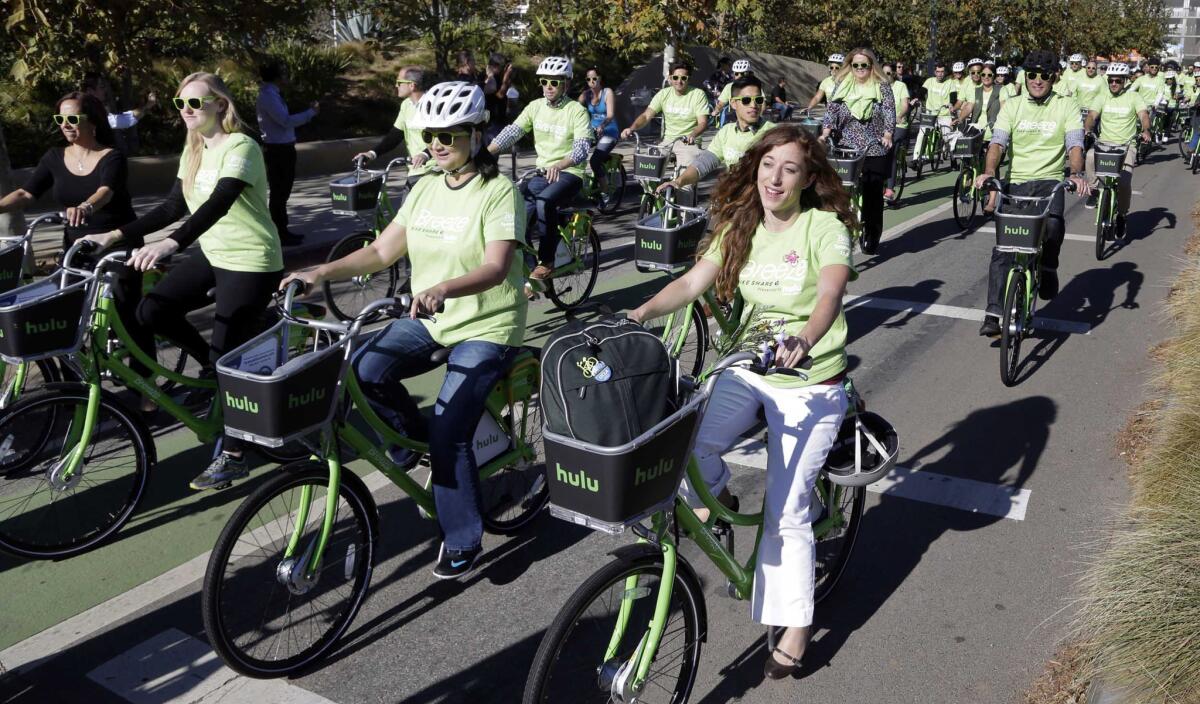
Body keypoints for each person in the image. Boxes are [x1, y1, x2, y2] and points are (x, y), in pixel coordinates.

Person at [627, 124, 857, 681]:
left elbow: (829, 293)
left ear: (809, 179)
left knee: (787, 512)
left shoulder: (823, 227)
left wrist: (804, 338)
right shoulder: (741, 223)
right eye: (768, 164)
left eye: (790, 169)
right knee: (685, 445)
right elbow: (690, 284)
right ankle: (720, 494)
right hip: (749, 369)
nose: (775, 178)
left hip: (809, 383)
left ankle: (796, 624)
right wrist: (636, 317)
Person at [284, 82, 525, 580]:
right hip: (430, 321)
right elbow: (378, 253)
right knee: (364, 369)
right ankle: (412, 447)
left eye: (448, 135)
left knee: (450, 431)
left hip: (487, 324)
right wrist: (319, 274)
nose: (436, 143)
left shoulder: (499, 192)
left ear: (475, 135)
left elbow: (497, 267)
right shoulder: (423, 189)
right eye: (429, 134)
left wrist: (443, 288)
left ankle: (462, 537)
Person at [86, 72, 285, 490]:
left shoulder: (241, 146)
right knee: (152, 309)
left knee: (227, 358)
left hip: (251, 261)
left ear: (220, 105)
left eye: (196, 103)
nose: (187, 112)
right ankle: (212, 368)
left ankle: (233, 455)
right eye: (181, 104)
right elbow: (173, 205)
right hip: (213, 254)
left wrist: (171, 245)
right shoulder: (193, 149)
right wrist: (115, 234)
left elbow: (219, 202)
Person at [0, 91, 155, 409]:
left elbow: (106, 191)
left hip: (116, 242)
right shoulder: (54, 157)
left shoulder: (112, 156)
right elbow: (25, 192)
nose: (66, 125)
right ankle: (80, 384)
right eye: (61, 120)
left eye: (73, 119)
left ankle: (147, 392)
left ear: (92, 122)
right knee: (67, 316)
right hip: (77, 249)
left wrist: (85, 206)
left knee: (129, 314)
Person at [973, 51, 1090, 338]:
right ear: (1025, 77)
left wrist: (1075, 174)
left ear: (1054, 78)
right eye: (1032, 75)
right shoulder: (1012, 106)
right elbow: (998, 143)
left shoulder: (1066, 106)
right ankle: (993, 312)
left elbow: (1075, 144)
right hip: (1018, 182)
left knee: (1053, 225)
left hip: (1050, 181)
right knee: (1004, 248)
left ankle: (1048, 266)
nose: (1037, 80)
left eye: (1044, 75)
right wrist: (989, 172)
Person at [488, 56, 590, 281]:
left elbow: (582, 149)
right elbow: (512, 132)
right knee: (516, 211)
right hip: (542, 174)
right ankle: (531, 270)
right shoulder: (534, 107)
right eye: (544, 82)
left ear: (566, 83)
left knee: (545, 202)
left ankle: (547, 261)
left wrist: (560, 164)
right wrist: (486, 152)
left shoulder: (576, 111)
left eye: (554, 82)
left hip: (570, 174)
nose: (548, 87)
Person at [821, 48, 896, 254]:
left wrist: (888, 134)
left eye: (865, 65)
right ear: (850, 66)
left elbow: (890, 111)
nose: (860, 69)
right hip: (845, 145)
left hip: (874, 146)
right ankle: (837, 231)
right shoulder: (842, 84)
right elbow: (831, 111)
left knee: (873, 192)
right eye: (856, 65)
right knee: (837, 191)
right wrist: (825, 133)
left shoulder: (882, 86)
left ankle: (872, 234)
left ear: (872, 66)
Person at [656, 76, 776, 192]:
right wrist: (678, 182)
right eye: (746, 100)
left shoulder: (774, 134)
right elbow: (703, 163)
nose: (753, 105)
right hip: (734, 202)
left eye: (758, 100)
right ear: (734, 103)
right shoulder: (726, 132)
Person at [1083, 63, 1151, 240]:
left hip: (1127, 145)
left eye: (1118, 81)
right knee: (1089, 157)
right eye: (1111, 80)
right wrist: (1087, 128)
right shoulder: (1102, 96)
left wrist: (1146, 130)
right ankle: (1094, 190)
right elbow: (1091, 115)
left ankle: (1121, 215)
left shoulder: (1134, 97)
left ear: (1125, 81)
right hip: (1104, 143)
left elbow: (1143, 115)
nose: (1114, 84)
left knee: (1124, 182)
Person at [255, 61, 318, 247]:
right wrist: (311, 113)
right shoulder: (268, 96)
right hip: (277, 149)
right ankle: (279, 232)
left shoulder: (272, 94)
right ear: (277, 76)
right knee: (279, 193)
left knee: (282, 192)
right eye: (283, 73)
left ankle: (282, 230)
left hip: (283, 148)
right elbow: (285, 121)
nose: (286, 77)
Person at [353, 66, 431, 189]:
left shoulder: (433, 105)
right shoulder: (406, 105)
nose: (396, 85)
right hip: (415, 171)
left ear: (412, 85)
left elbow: (441, 137)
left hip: (434, 171)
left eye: (399, 82)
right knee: (406, 208)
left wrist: (424, 155)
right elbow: (395, 135)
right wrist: (372, 154)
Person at [621, 61, 710, 168]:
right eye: (676, 77)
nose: (679, 81)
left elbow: (703, 123)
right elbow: (646, 116)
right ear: (670, 78)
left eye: (684, 78)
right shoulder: (663, 94)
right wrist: (631, 128)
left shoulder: (698, 94)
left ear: (688, 79)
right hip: (667, 141)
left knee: (685, 177)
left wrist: (692, 135)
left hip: (688, 142)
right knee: (647, 169)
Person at [82, 72, 157, 155]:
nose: (104, 90)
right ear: (89, 91)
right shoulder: (88, 111)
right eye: (101, 87)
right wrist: (148, 105)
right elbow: (123, 120)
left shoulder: (94, 109)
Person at [579, 67, 620, 194]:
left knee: (595, 161)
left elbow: (610, 115)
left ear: (600, 78)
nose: (591, 81)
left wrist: (602, 125)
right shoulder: (586, 94)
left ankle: (605, 190)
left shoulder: (607, 92)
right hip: (593, 132)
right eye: (588, 79)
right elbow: (574, 108)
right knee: (574, 152)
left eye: (594, 78)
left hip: (609, 131)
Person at [882, 62, 911, 201]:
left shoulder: (901, 86)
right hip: (882, 125)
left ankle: (890, 188)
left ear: (893, 73)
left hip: (899, 126)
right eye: (883, 73)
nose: (885, 76)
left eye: (888, 73)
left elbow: (905, 105)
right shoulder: (878, 86)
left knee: (891, 152)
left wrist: (899, 115)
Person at [712, 60, 757, 125]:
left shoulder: (755, 86)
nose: (739, 76)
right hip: (733, 118)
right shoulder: (729, 87)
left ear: (749, 74)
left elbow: (762, 103)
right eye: (736, 73)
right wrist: (717, 110)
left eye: (742, 73)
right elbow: (721, 103)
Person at [483, 53, 514, 143]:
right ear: (494, 66)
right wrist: (506, 77)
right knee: (491, 150)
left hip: (499, 118)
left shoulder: (499, 77)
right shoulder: (489, 78)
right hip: (491, 120)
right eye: (502, 67)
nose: (503, 69)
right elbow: (499, 95)